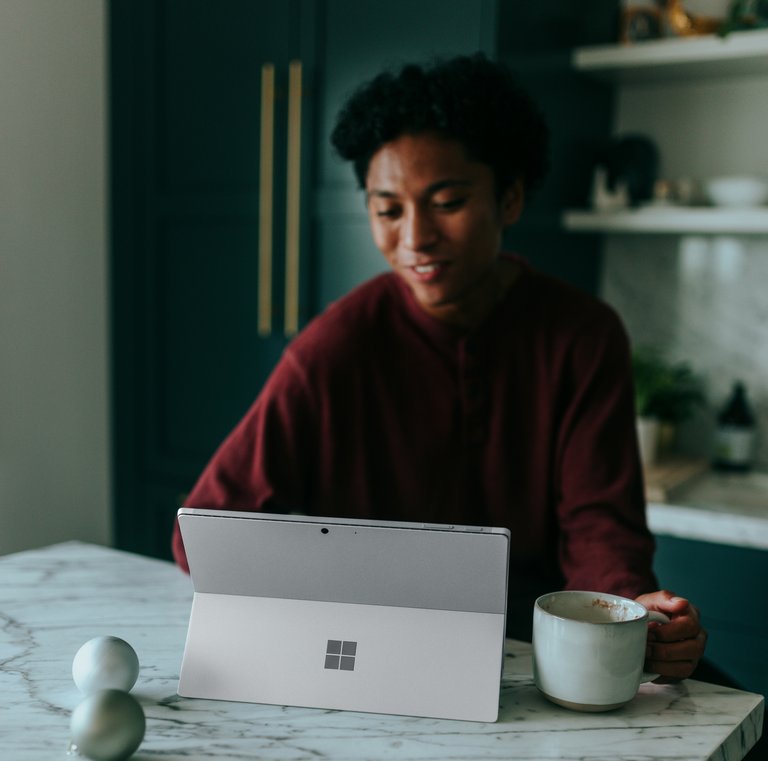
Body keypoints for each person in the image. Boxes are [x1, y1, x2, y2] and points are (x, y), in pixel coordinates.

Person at [172, 53, 706, 682]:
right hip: (377, 655)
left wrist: (628, 608)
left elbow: (600, 525)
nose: (415, 238)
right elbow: (206, 530)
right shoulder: (336, 345)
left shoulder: (581, 336)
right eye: (388, 209)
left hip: (535, 654)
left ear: (509, 197)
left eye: (447, 201)